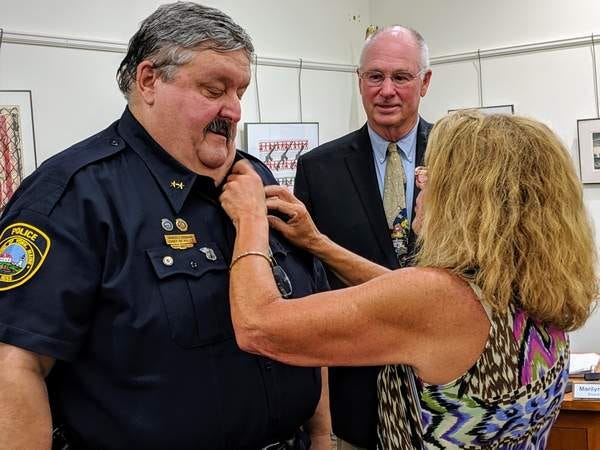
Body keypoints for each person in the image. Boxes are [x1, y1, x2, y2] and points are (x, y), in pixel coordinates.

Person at [0, 3, 331, 449]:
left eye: (240, 92)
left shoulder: (257, 180)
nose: (232, 110)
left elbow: (309, 316)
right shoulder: (74, 196)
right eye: (214, 89)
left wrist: (323, 435)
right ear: (149, 80)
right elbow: (17, 364)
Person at [220, 110, 598, 449]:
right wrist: (318, 244)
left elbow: (258, 326)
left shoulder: (433, 299)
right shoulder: (536, 288)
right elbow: (405, 302)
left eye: (431, 173)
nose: (419, 182)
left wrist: (250, 218)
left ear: (467, 198)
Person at [293, 25, 433, 450]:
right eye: (375, 77)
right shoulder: (319, 168)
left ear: (424, 82)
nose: (386, 90)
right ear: (359, 81)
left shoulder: (461, 158)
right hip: (353, 401)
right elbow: (307, 287)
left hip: (446, 397)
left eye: (401, 77)